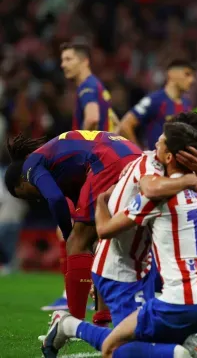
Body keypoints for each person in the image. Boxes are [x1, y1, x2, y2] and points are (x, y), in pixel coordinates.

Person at [41, 123, 197, 358]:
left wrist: (102, 202)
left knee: (128, 345)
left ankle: (182, 350)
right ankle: (69, 325)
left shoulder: (175, 187)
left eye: (161, 141)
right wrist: (191, 178)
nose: (155, 144)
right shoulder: (189, 186)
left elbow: (108, 227)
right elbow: (150, 192)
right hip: (124, 271)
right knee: (131, 344)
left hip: (151, 275)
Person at [4, 131, 143, 322]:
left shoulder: (30, 165)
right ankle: (102, 317)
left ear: (21, 182)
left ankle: (72, 324)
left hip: (107, 160)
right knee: (103, 242)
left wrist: (69, 235)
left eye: (26, 195)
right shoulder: (64, 171)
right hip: (135, 157)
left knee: (77, 242)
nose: (35, 198)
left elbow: (55, 199)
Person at [42, 38, 119, 312]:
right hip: (108, 163)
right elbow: (115, 121)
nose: (63, 64)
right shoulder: (98, 87)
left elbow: (93, 118)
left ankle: (71, 294)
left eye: (69, 59)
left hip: (94, 165)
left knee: (72, 231)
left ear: (84, 60)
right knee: (94, 232)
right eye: (62, 59)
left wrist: (84, 148)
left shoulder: (87, 88)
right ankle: (98, 294)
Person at [118, 59, 194, 150]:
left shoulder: (187, 104)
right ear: (171, 74)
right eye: (187, 74)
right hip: (155, 157)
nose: (192, 80)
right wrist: (139, 153)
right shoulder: (154, 100)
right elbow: (125, 125)